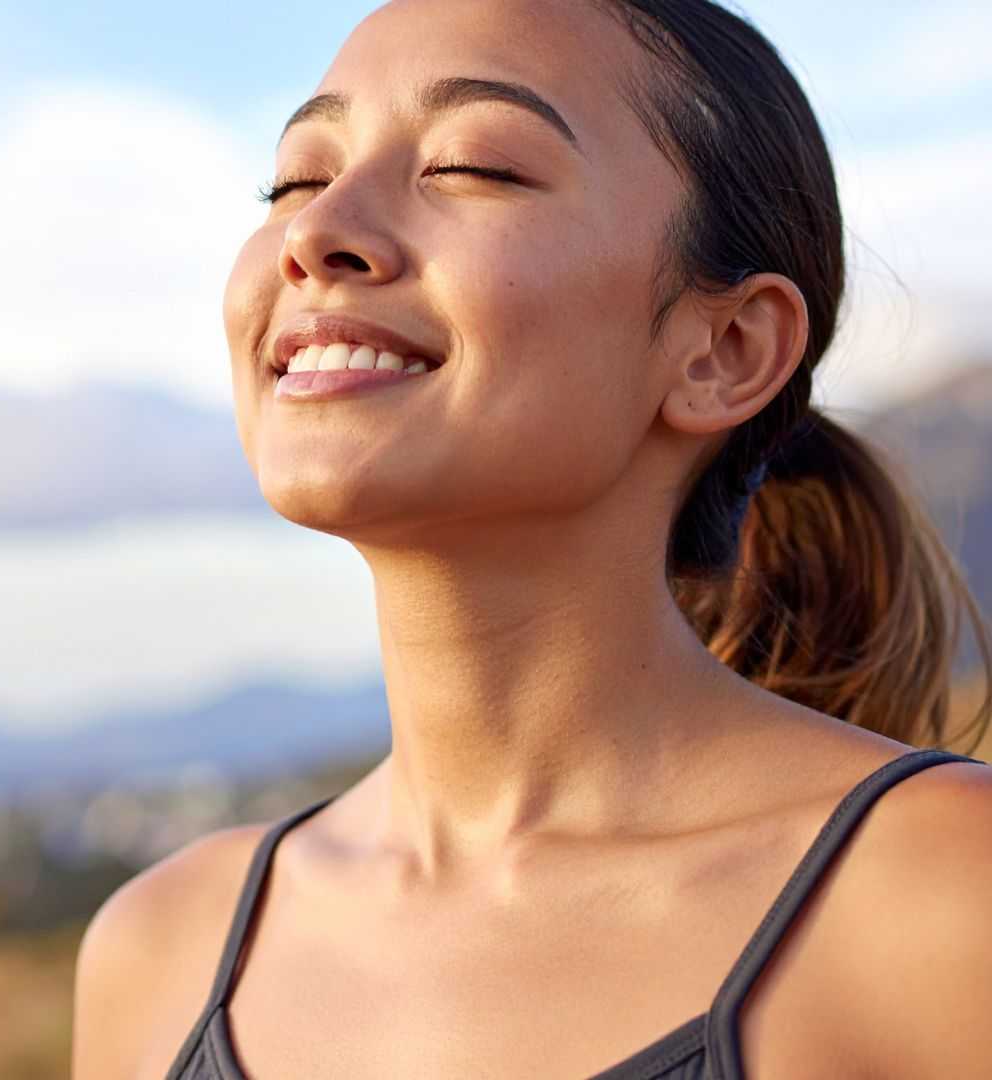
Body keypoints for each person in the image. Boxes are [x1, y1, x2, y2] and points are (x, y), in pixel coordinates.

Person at [72, 1, 992, 1077]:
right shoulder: (159, 952)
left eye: (475, 167)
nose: (315, 235)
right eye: (296, 181)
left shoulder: (945, 902)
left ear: (727, 351)